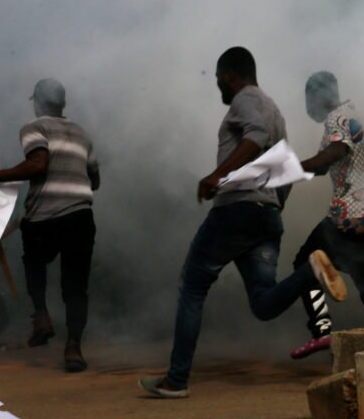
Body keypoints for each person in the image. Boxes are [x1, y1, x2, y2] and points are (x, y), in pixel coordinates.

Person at [138, 47, 348, 398]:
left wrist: (217, 175)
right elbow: (283, 167)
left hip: (235, 211)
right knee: (263, 303)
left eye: (220, 78)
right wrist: (272, 211)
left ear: (229, 75)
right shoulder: (277, 110)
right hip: (265, 215)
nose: (218, 86)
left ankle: (176, 380)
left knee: (192, 287)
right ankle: (310, 272)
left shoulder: (247, 101)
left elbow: (257, 133)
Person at [0, 78, 100, 373]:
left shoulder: (34, 128)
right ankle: (73, 348)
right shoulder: (82, 134)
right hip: (81, 216)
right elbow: (94, 180)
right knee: (75, 287)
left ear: (37, 102)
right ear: (63, 104)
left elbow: (38, 164)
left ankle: (41, 315)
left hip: (45, 217)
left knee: (33, 263)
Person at [289, 71, 364, 359]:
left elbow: (334, 153)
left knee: (304, 262)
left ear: (319, 96)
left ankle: (322, 330)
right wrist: (305, 166)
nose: (307, 107)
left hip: (351, 216)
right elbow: (325, 165)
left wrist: (293, 168)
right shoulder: (354, 115)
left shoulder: (336, 118)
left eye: (308, 99)